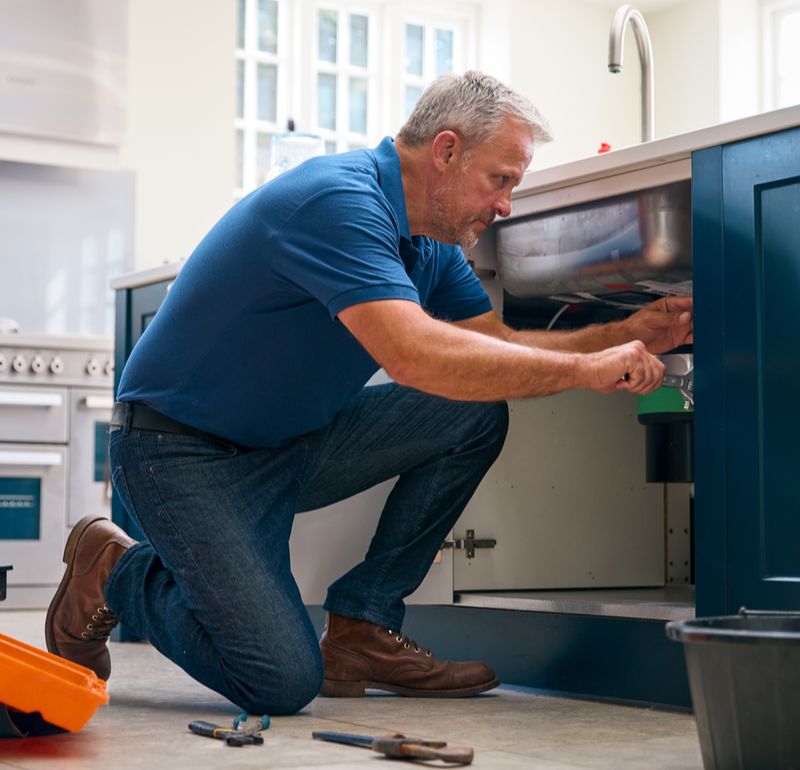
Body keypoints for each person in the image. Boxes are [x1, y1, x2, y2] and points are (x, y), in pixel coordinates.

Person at [45, 71, 692, 715]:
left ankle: (362, 625)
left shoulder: (428, 244)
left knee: (469, 413)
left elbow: (496, 342)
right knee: (281, 682)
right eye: (501, 180)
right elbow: (413, 356)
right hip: (178, 452)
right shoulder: (337, 202)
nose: (505, 207)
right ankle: (114, 568)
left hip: (287, 446)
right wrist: (586, 371)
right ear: (445, 150)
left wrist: (623, 334)